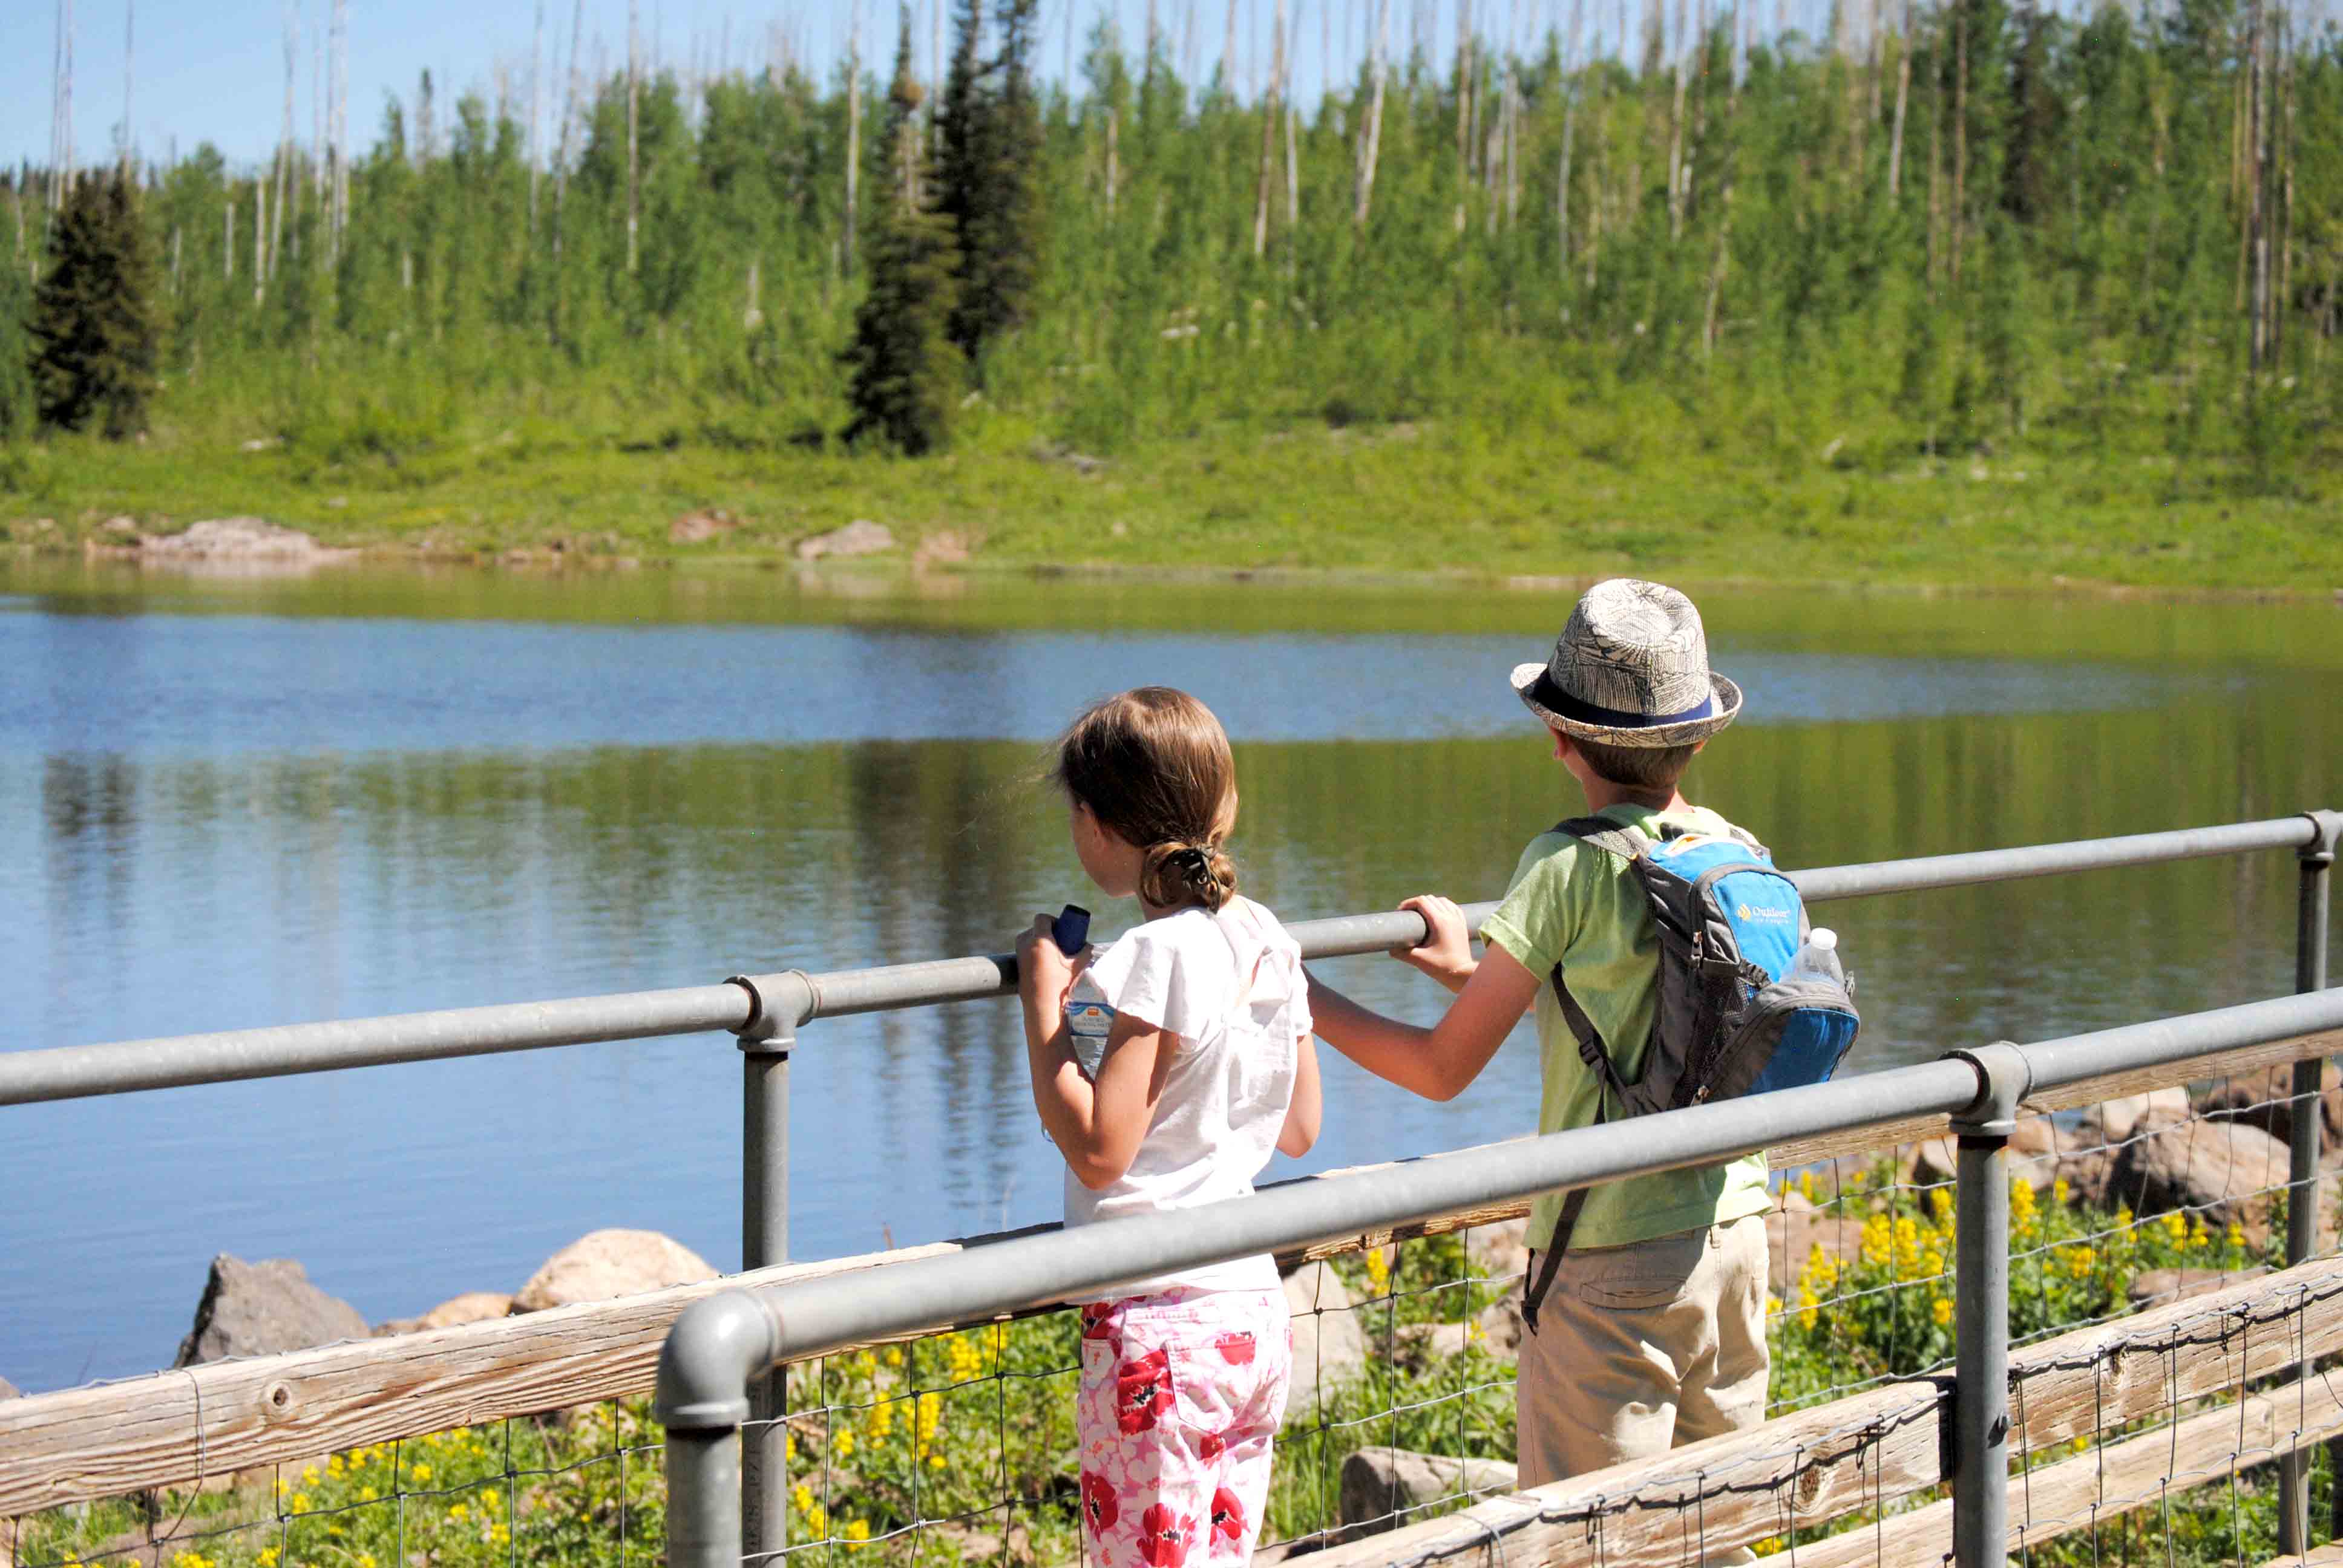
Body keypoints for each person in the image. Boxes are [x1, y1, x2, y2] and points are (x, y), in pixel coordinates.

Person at [1305, 578, 1771, 1497]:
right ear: (1700, 736)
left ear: (1558, 737)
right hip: (1736, 1230)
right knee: (1716, 1523)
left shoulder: (1568, 863)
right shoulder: (1735, 849)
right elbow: (1639, 1014)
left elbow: (1442, 1071)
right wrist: (1468, 974)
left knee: (1588, 1534)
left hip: (1611, 1254)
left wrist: (1300, 995)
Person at [1015, 685, 1323, 1567]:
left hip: (1157, 1331)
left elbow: (1101, 1152)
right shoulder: (1264, 935)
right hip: (1249, 1314)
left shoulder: (1156, 954)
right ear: (1225, 806)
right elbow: (1300, 1126)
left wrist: (1042, 1005)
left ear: (1098, 825)